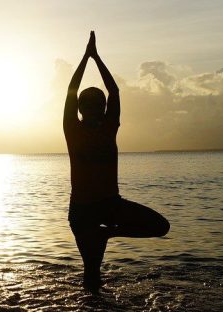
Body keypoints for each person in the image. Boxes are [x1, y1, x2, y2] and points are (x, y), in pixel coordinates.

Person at [63, 31, 170, 292]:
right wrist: (89, 57)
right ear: (81, 109)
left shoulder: (108, 127)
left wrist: (94, 57)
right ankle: (93, 301)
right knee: (91, 273)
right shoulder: (73, 129)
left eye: (97, 105)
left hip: (109, 206)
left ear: (102, 108)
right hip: (83, 211)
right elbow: (77, 90)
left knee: (160, 226)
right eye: (89, 105)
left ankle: (108, 234)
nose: (94, 109)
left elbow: (113, 91)